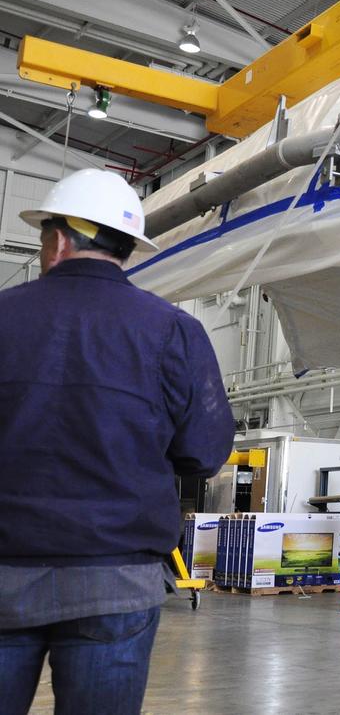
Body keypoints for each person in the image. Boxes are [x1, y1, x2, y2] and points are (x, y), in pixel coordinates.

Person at [0, 169, 235, 713]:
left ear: (60, 240)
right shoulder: (172, 329)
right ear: (126, 249)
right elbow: (204, 452)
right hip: (115, 579)